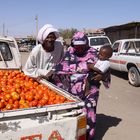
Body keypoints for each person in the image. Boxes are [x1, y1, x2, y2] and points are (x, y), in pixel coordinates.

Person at [52, 31, 111, 139]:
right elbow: (60, 69)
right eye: (77, 46)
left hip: (92, 89)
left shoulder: (94, 53)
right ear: (73, 44)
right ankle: (73, 135)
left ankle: (89, 136)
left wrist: (102, 77)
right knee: (75, 114)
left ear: (86, 43)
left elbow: (105, 69)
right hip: (72, 89)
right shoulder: (69, 52)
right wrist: (86, 66)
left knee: (90, 112)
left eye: (82, 46)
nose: (79, 48)